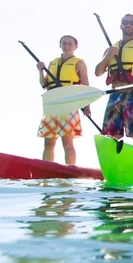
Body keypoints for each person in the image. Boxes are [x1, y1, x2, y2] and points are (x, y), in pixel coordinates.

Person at [94, 14, 133, 147]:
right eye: (126, 22)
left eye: (132, 23)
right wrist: (108, 56)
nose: (129, 25)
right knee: (110, 135)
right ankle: (113, 164)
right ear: (121, 25)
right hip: (114, 94)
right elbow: (98, 72)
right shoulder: (111, 49)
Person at [36, 35, 92, 165]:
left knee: (67, 142)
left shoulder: (80, 64)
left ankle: (70, 168)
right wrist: (40, 71)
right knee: (49, 142)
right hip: (52, 105)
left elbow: (86, 87)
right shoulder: (53, 63)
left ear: (75, 46)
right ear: (60, 45)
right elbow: (44, 85)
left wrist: (87, 106)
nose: (67, 46)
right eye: (64, 43)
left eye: (70, 43)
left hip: (68, 105)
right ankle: (47, 169)